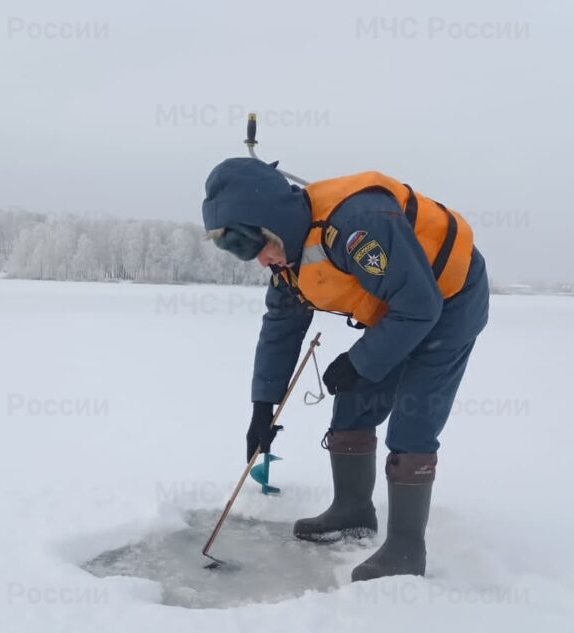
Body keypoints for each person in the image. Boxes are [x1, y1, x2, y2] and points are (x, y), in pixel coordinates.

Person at [201, 157, 489, 582]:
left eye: (255, 246)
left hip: (449, 301)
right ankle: (352, 511)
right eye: (247, 254)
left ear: (272, 222)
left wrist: (360, 360)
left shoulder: (359, 226)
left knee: (412, 420)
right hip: (400, 307)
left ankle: (407, 550)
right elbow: (280, 329)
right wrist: (263, 406)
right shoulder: (287, 258)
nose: (260, 261)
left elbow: (420, 306)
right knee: (354, 400)